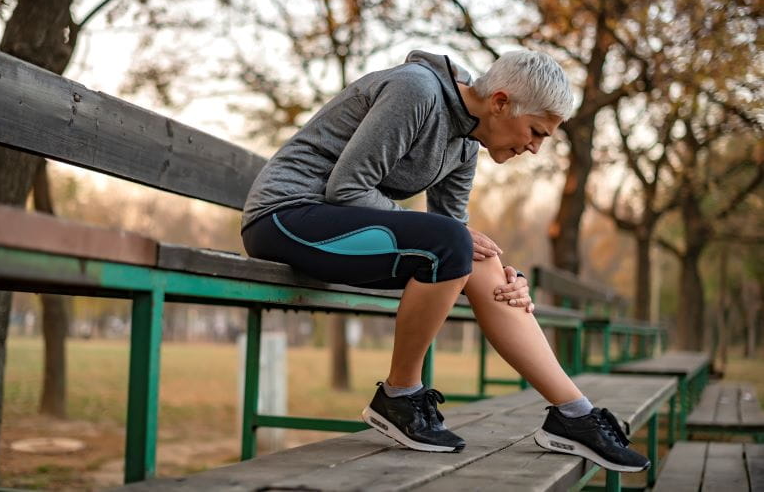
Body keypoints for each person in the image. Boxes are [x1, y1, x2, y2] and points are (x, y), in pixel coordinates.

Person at [240, 50, 649, 472]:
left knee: (479, 257)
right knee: (455, 243)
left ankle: (574, 415)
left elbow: (456, 238)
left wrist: (509, 279)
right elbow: (347, 188)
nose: (534, 148)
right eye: (535, 132)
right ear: (501, 102)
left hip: (336, 230)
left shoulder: (467, 144)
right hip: (284, 217)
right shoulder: (415, 90)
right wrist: (455, 241)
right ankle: (399, 397)